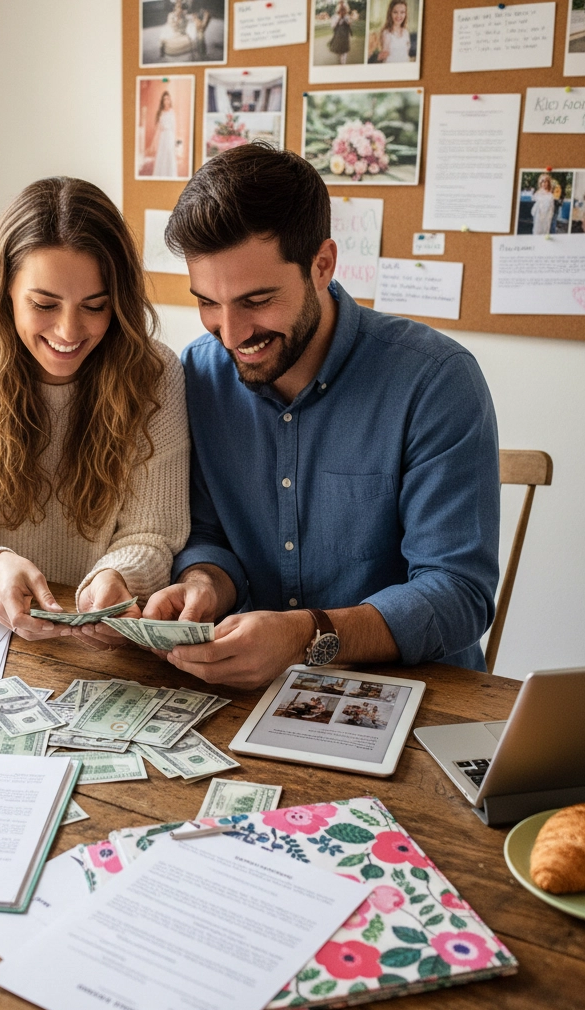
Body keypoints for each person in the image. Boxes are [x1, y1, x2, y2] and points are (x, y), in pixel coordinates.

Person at [143, 143, 500, 689]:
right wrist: (204, 582)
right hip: (251, 689)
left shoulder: (436, 381)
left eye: (257, 300)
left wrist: (306, 637)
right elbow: (208, 532)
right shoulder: (198, 374)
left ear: (322, 265)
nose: (232, 335)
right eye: (208, 302)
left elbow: (458, 593)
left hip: (419, 693)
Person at [0, 177, 189, 650]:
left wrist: (118, 575)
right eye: (44, 304)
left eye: (95, 306)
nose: (69, 330)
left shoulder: (155, 374)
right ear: (6, 289)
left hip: (101, 646)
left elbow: (154, 534)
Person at [151, 92, 178, 178]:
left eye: (168, 99)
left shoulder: (172, 112)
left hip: (169, 136)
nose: (166, 101)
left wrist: (175, 143)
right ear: (162, 101)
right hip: (162, 137)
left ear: (170, 100)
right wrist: (154, 143)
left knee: (169, 154)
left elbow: (174, 128)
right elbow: (158, 128)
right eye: (165, 99)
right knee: (161, 155)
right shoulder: (161, 113)